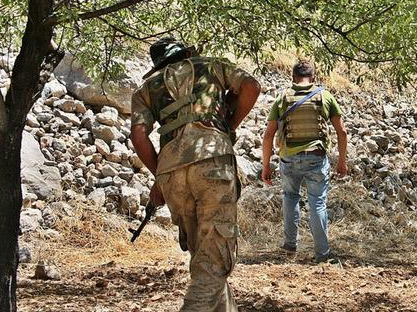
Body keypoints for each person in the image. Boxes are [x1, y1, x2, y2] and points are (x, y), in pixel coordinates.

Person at [130, 37, 260, 312]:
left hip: (172, 175)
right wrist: (227, 127)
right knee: (214, 262)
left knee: (204, 258)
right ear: (187, 53)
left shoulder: (146, 89)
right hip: (212, 160)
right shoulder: (212, 66)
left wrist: (160, 176)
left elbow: (139, 137)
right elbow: (251, 87)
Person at [261, 59, 348, 264]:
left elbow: (267, 136)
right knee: (317, 202)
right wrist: (342, 161)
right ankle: (322, 254)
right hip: (316, 159)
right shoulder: (325, 96)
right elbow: (342, 132)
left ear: (293, 77)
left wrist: (266, 165)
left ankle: (290, 245)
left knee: (290, 197)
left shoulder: (282, 98)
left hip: (288, 159)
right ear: (314, 78)